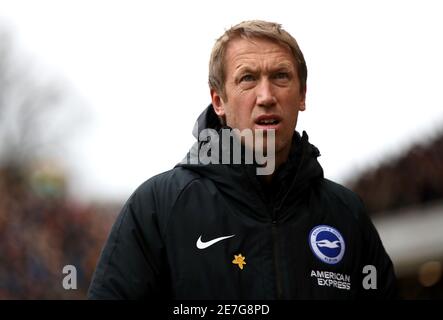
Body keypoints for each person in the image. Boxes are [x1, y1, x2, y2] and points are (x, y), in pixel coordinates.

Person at [88, 20, 397, 299]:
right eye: (248, 78)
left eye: (280, 77)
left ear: (302, 95)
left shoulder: (346, 213)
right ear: (219, 101)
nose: (266, 96)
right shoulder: (158, 206)